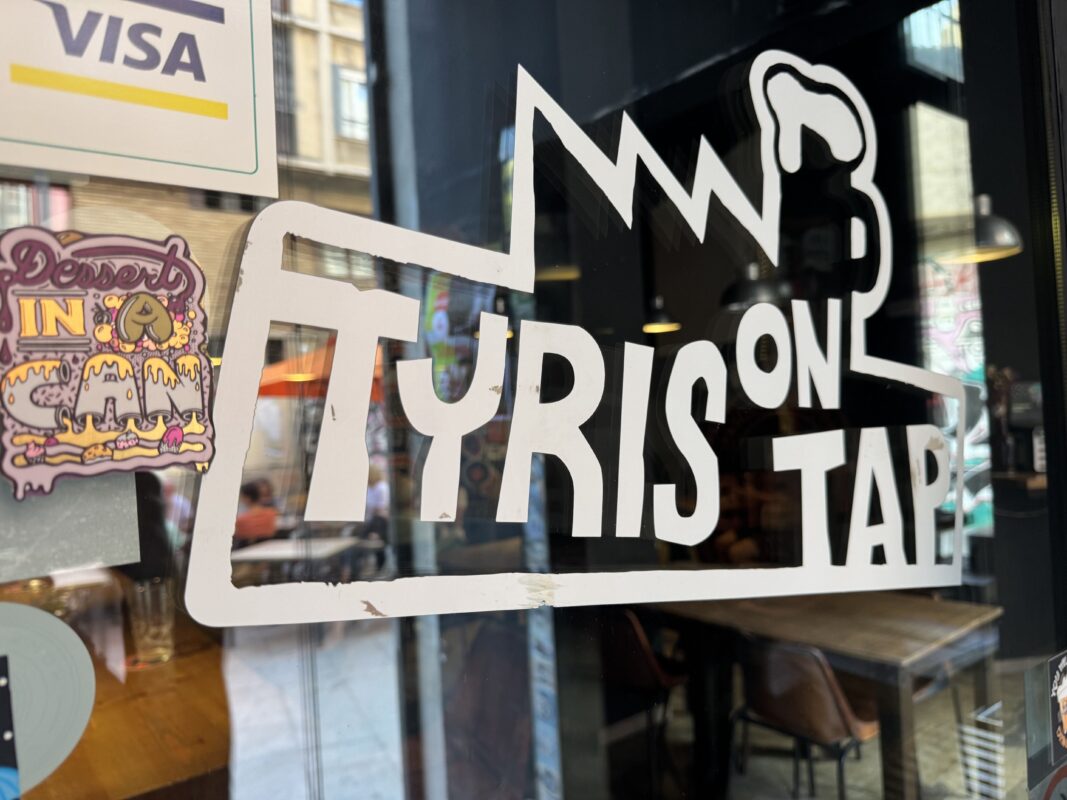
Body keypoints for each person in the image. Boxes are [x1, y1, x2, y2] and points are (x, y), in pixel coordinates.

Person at [234, 481, 278, 545]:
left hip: (246, 548)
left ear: (247, 498)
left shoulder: (241, 520)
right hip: (267, 546)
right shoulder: (271, 514)